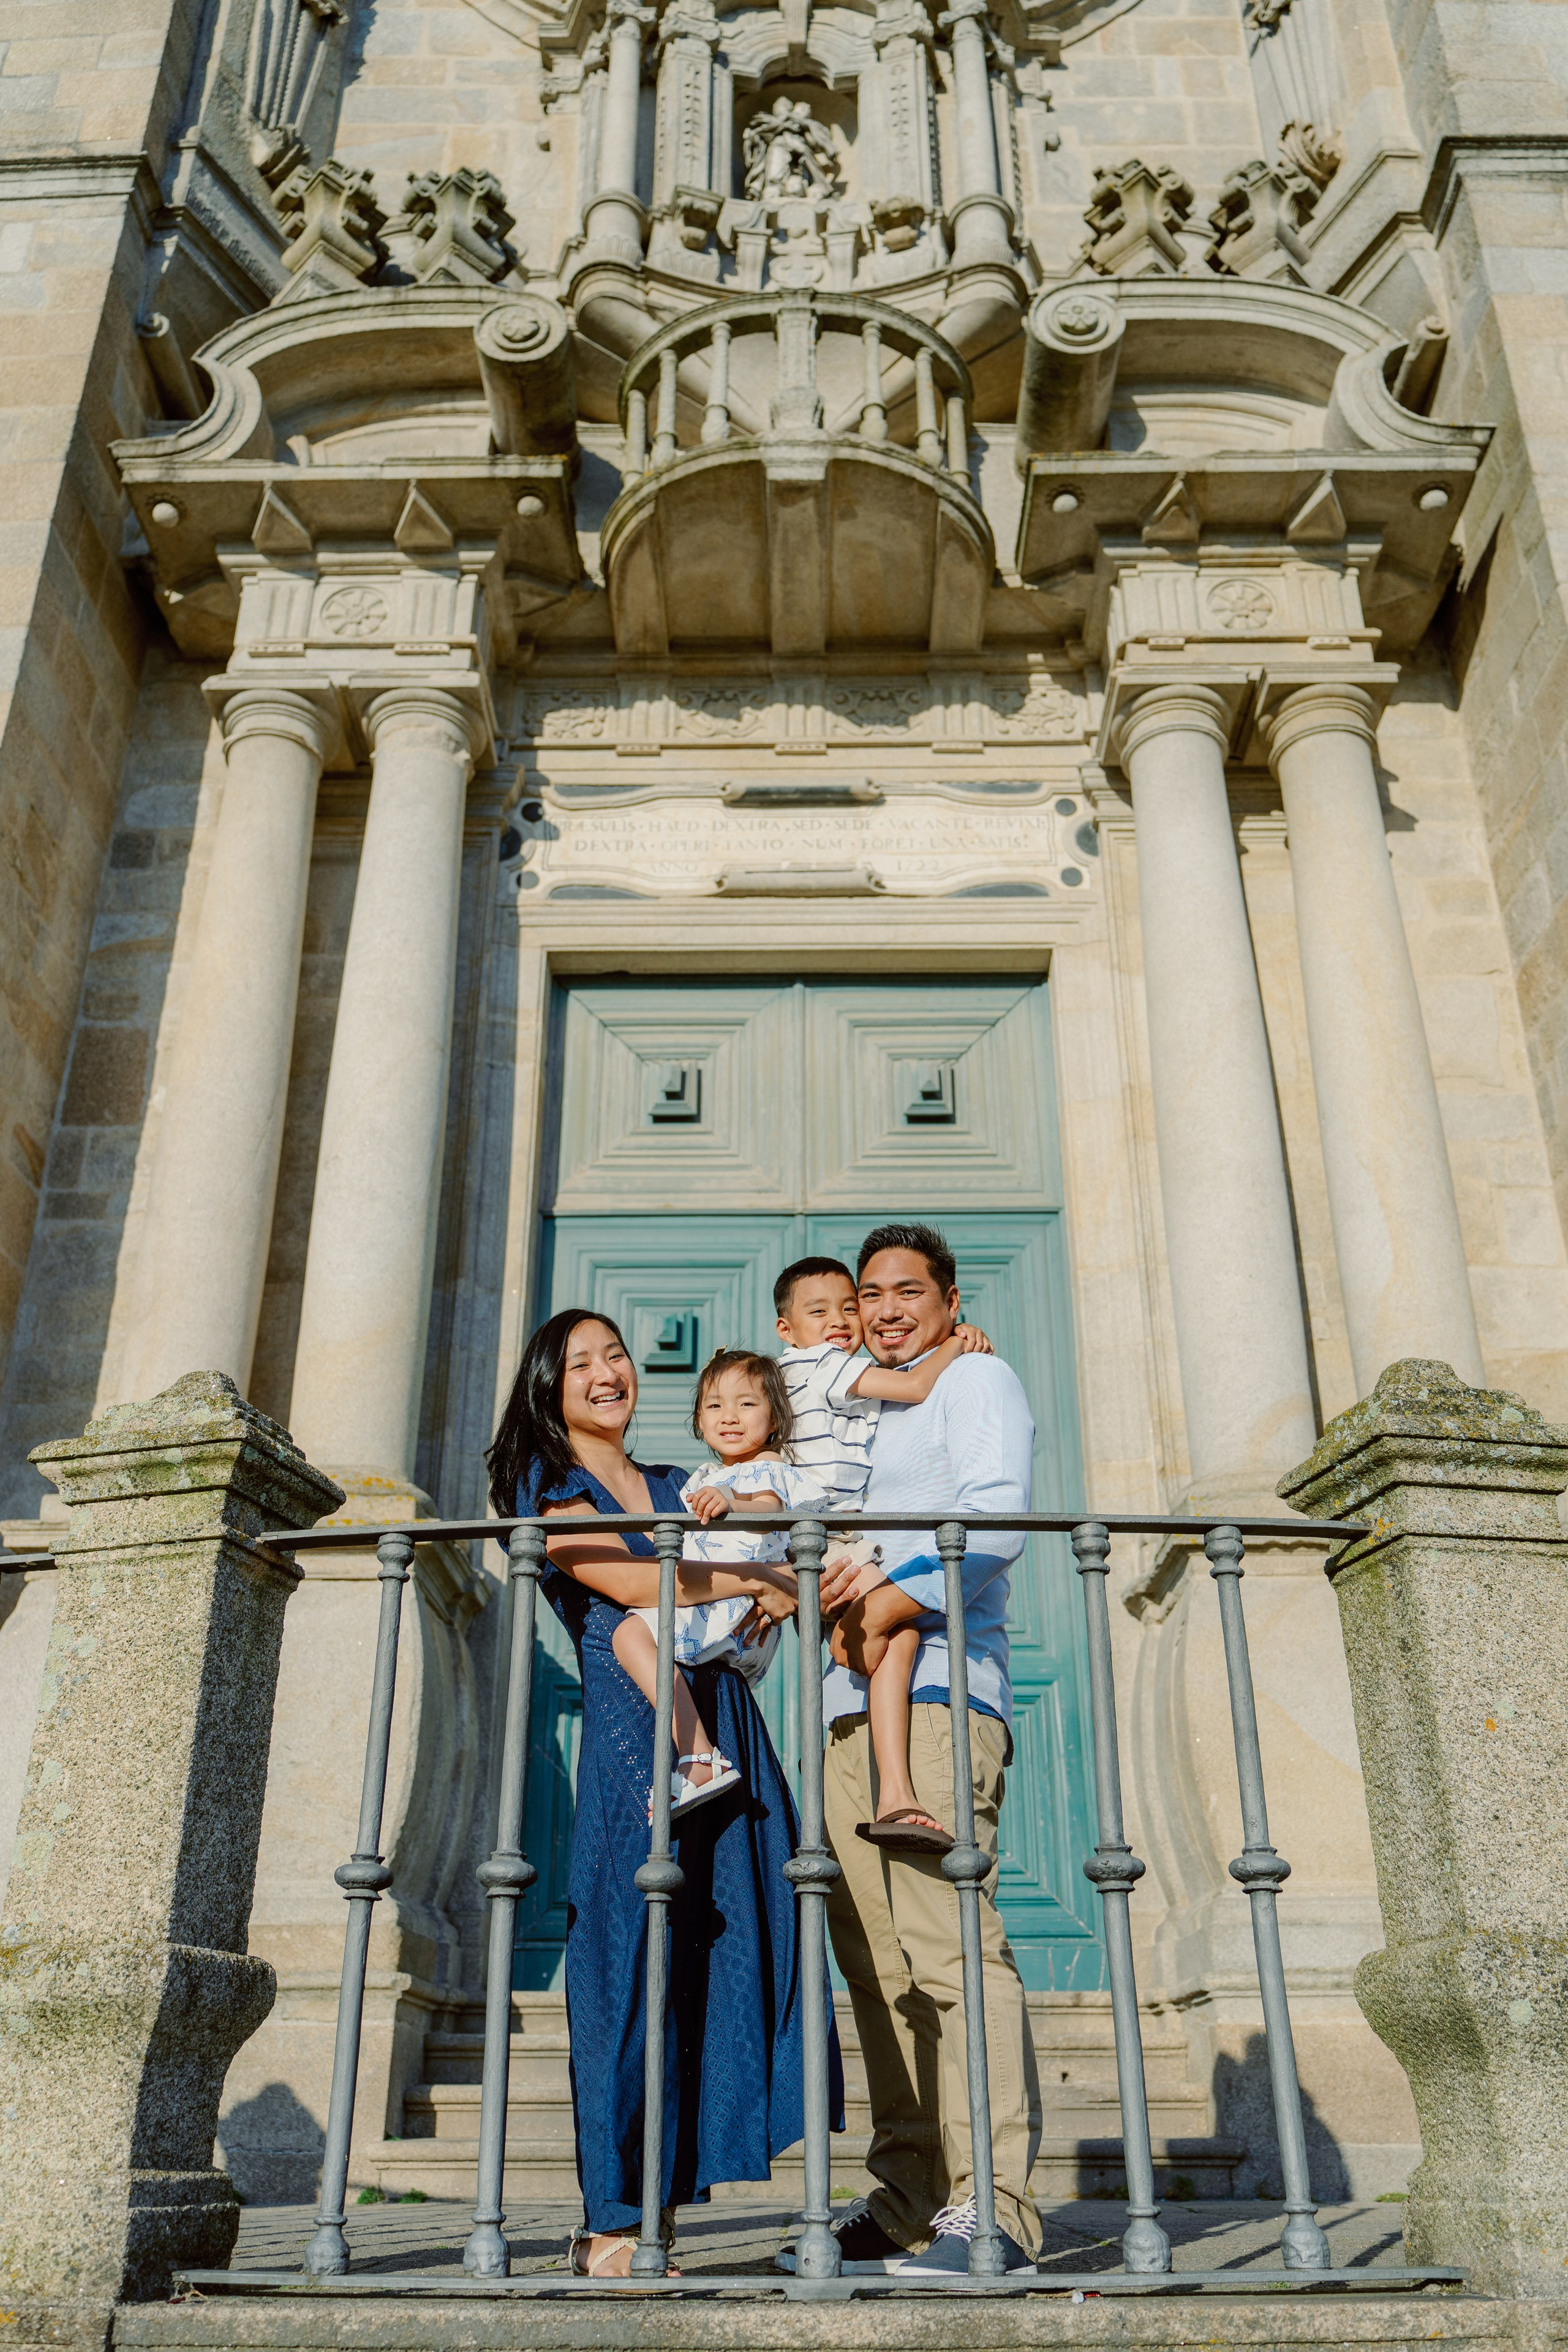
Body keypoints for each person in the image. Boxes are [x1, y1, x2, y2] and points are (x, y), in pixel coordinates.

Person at [487, 1308, 842, 2278]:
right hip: (632, 1727)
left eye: (616, 1356)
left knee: (727, 1952)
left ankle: (664, 2212)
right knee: (627, 1959)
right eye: (581, 1363)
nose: (607, 1374)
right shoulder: (546, 1479)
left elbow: (778, 1574)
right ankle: (610, 2220)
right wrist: (752, 1576)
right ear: (549, 1387)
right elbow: (625, 1580)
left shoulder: (684, 1484)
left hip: (727, 1714)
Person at [785, 1223, 1043, 2280]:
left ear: (948, 1301)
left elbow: (996, 1521)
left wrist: (891, 1592)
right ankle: (908, 2198)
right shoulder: (854, 1406)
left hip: (938, 1700)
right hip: (851, 1707)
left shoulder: (975, 1384)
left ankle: (998, 2212)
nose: (887, 1309)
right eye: (872, 1294)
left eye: (908, 1292)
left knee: (949, 1954)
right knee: (878, 1970)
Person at [772, 1254, 994, 1854]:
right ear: (786, 1331)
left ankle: (891, 1790)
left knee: (894, 1638)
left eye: (850, 1308)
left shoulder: (805, 1373)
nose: (841, 1321)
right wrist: (955, 1340)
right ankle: (896, 1790)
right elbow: (916, 1384)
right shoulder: (822, 1366)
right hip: (830, 1538)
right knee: (902, 1629)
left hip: (817, 1538)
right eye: (819, 1312)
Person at [612, 1348, 824, 1822]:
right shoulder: (706, 1477)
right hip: (722, 1607)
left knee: (629, 1634)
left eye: (747, 1404)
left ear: (774, 1418)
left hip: (732, 1607)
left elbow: (771, 1508)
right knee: (641, 1639)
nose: (729, 1416)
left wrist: (733, 1497)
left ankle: (699, 1758)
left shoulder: (767, 1469)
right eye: (714, 1405)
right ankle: (698, 1756)